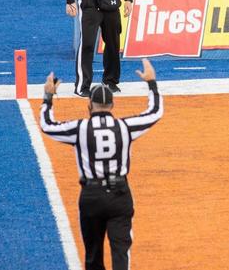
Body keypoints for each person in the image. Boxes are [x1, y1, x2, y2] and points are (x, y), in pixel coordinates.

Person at [40, 59, 162, 270]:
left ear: (90, 105)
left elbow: (47, 125)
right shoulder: (124, 127)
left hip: (91, 195)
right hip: (119, 195)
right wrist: (151, 83)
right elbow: (154, 113)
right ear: (112, 105)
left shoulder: (80, 128)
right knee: (121, 253)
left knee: (93, 256)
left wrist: (48, 97)